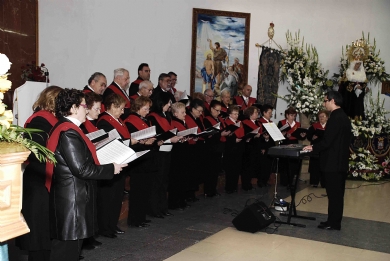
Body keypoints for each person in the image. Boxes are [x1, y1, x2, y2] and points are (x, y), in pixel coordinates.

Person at [46, 89, 125, 261]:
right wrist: (111, 169)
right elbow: (81, 169)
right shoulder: (68, 132)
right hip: (71, 201)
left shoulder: (67, 128)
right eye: (84, 106)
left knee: (68, 251)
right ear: (73, 108)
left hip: (71, 199)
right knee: (65, 252)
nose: (87, 110)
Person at [16, 86, 62, 261]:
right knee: (38, 232)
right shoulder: (40, 120)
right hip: (37, 181)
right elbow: (38, 153)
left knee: (44, 231)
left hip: (43, 178)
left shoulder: (49, 119)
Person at [303, 91, 352, 230]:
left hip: (333, 163)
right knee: (336, 194)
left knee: (334, 195)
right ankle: (333, 220)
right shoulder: (343, 116)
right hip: (339, 162)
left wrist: (312, 147)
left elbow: (327, 141)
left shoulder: (335, 118)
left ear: (332, 101)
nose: (324, 103)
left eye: (325, 101)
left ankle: (334, 223)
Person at [96, 93, 137, 238]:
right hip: (111, 163)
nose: (122, 112)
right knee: (108, 197)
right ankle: (105, 227)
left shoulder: (118, 120)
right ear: (112, 106)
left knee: (117, 197)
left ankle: (112, 225)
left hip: (120, 162)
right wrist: (130, 142)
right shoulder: (104, 121)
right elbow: (112, 142)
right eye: (120, 108)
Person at [123, 96, 159, 226]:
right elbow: (132, 141)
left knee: (145, 190)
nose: (148, 111)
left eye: (149, 108)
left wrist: (153, 142)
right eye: (145, 108)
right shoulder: (130, 121)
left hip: (147, 159)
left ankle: (141, 217)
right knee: (138, 191)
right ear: (138, 107)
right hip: (139, 161)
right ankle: (135, 219)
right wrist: (145, 143)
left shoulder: (145, 120)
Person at [148, 92, 181, 217]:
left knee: (164, 182)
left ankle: (163, 207)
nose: (169, 105)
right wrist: (169, 139)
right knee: (157, 182)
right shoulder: (153, 117)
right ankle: (155, 209)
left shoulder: (166, 115)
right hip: (159, 153)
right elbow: (157, 136)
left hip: (167, 151)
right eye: (168, 103)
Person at [79, 92, 104, 251]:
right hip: (86, 169)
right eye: (96, 108)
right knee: (86, 207)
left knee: (93, 205)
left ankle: (91, 236)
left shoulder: (93, 123)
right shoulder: (83, 124)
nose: (99, 111)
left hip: (94, 166)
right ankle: (86, 240)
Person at [202, 100, 231, 197]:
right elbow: (208, 135)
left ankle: (213, 189)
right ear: (211, 109)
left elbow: (223, 128)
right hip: (211, 148)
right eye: (217, 110)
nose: (219, 113)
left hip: (219, 147)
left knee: (216, 170)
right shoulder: (206, 119)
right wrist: (220, 134)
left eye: (219, 111)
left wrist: (227, 132)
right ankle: (208, 190)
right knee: (210, 170)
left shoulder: (220, 119)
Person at [169, 102, 191, 210]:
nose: (185, 114)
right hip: (177, 153)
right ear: (175, 114)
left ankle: (182, 200)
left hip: (184, 152)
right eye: (182, 112)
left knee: (183, 177)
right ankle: (175, 202)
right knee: (176, 178)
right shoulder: (174, 123)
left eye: (185, 111)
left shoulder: (182, 122)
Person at [277, 107, 306, 186]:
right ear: (287, 115)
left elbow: (300, 136)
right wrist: (286, 135)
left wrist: (302, 135)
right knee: (284, 163)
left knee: (293, 164)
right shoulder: (281, 122)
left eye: (294, 116)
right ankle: (283, 182)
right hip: (285, 143)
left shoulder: (297, 124)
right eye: (291, 115)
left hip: (294, 144)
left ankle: (291, 181)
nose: (293, 117)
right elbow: (279, 134)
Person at [223, 105, 245, 193]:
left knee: (237, 168)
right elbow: (226, 136)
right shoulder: (226, 122)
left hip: (239, 147)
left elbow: (242, 132)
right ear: (230, 114)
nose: (236, 116)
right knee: (230, 169)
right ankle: (229, 187)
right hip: (230, 148)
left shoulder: (240, 122)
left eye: (237, 114)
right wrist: (234, 140)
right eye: (234, 114)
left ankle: (234, 186)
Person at [241, 106, 262, 191]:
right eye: (256, 112)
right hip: (248, 148)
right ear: (250, 114)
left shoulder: (258, 123)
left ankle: (250, 183)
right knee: (247, 167)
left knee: (253, 166)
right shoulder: (245, 123)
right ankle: (245, 184)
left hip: (256, 148)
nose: (257, 114)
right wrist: (253, 136)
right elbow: (244, 135)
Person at [307, 110, 329, 188]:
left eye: (323, 116)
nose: (321, 118)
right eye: (320, 117)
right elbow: (309, 135)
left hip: (325, 149)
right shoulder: (314, 126)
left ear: (327, 117)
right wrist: (312, 137)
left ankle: (324, 183)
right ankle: (314, 182)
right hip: (316, 147)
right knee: (314, 165)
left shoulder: (330, 126)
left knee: (325, 165)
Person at [257, 104, 275, 187]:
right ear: (264, 113)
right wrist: (263, 146)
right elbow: (259, 136)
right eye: (269, 112)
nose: (271, 114)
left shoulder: (271, 122)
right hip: (263, 146)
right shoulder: (259, 122)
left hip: (270, 146)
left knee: (269, 165)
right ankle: (261, 181)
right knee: (263, 165)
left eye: (271, 112)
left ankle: (266, 180)